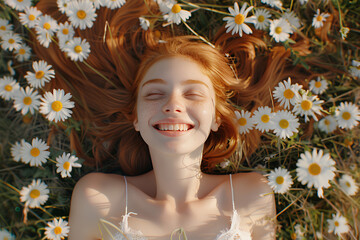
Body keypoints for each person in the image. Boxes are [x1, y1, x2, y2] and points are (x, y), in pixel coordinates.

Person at [32, 0, 310, 239]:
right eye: (154, 94)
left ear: (216, 118)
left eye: (192, 94)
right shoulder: (98, 198)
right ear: (136, 119)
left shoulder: (251, 194)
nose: (173, 105)